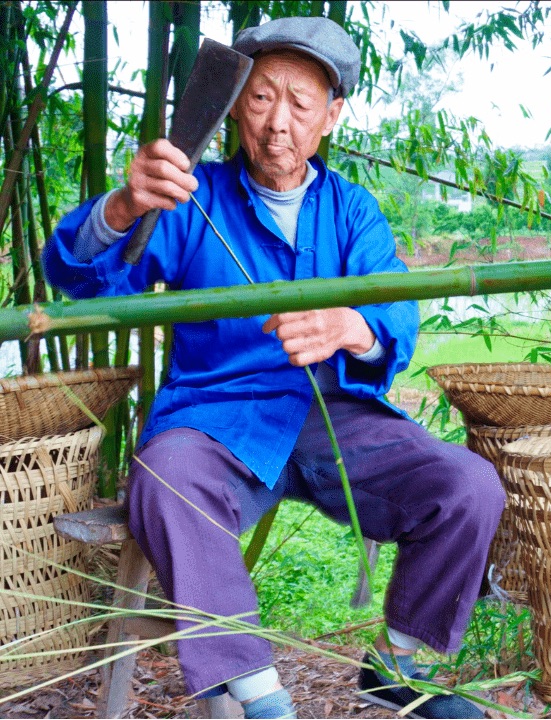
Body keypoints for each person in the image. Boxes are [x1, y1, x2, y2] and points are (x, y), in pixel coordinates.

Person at [44, 16, 502, 720]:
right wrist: (125, 204)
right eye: (260, 99)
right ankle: (261, 698)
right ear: (235, 108)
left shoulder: (352, 211)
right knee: (164, 478)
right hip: (216, 422)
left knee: (468, 485)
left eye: (299, 103)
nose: (277, 123)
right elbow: (79, 280)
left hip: (334, 418)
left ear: (332, 116)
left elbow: (398, 315)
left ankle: (395, 663)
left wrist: (356, 326)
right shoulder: (191, 197)